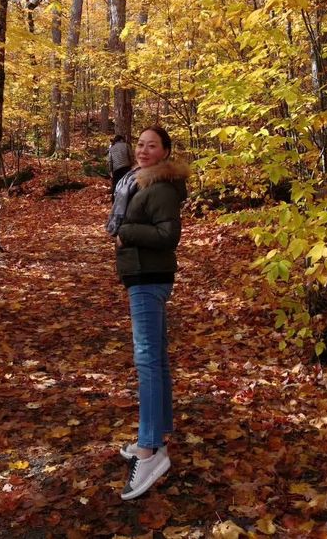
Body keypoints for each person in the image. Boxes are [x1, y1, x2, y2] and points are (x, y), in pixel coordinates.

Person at [106, 125, 189, 500]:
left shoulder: (162, 187)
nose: (142, 150)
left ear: (165, 152)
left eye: (151, 146)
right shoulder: (137, 182)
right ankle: (156, 435)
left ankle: (150, 449)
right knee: (156, 359)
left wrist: (127, 233)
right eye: (140, 144)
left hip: (149, 276)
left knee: (148, 361)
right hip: (141, 274)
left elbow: (169, 235)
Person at [107, 134, 134, 201]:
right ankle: (128, 200)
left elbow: (110, 161)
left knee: (115, 186)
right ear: (121, 139)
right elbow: (131, 156)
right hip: (126, 167)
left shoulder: (111, 148)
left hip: (116, 169)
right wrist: (133, 165)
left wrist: (110, 171)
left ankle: (114, 201)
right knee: (127, 184)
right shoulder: (126, 145)